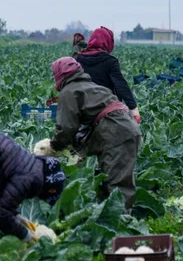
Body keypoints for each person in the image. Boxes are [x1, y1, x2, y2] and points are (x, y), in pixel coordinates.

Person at [47, 57, 141, 211]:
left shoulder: (69, 91)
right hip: (125, 129)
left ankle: (122, 225)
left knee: (117, 186)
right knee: (110, 180)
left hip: (117, 133)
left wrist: (54, 146)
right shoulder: (91, 86)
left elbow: (66, 128)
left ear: (60, 75)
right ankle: (110, 220)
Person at [74, 26, 141, 124]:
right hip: (106, 110)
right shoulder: (110, 62)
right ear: (108, 43)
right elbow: (121, 85)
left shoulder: (77, 59)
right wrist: (133, 108)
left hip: (82, 108)